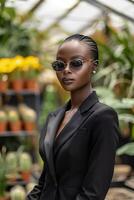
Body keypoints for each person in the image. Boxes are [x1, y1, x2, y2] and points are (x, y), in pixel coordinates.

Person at [27, 34, 120, 200]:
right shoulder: (53, 117)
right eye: (59, 64)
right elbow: (45, 181)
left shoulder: (102, 117)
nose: (66, 70)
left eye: (76, 63)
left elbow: (93, 193)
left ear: (94, 66)